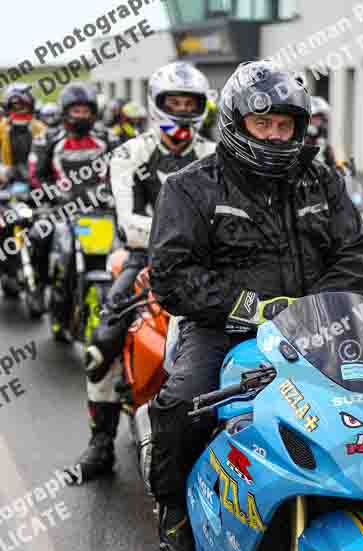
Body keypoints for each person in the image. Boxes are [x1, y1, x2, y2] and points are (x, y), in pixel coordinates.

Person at [136, 60, 363, 551]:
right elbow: (171, 273)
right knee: (182, 403)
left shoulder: (322, 180)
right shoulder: (190, 185)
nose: (273, 135)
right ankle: (174, 504)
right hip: (221, 328)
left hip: (316, 326)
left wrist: (316, 309)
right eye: (262, 124)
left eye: (284, 125)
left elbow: (355, 254)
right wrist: (249, 308)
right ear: (236, 123)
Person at [69, 62, 216, 482]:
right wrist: (186, 233)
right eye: (175, 102)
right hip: (143, 258)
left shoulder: (214, 155)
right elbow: (129, 222)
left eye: (190, 103)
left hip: (205, 261)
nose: (183, 110)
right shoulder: (130, 155)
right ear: (157, 104)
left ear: (201, 107)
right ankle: (101, 444)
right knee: (102, 343)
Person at [29, 82, 119, 325]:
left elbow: (121, 170)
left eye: (86, 111)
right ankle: (39, 286)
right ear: (65, 111)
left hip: (101, 210)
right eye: (75, 111)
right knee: (39, 235)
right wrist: (53, 194)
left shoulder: (108, 137)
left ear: (93, 113)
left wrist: (114, 193)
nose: (81, 116)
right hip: (61, 210)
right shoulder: (48, 138)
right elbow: (37, 174)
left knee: (130, 246)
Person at [0, 83, 46, 296]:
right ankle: (8, 271)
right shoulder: (1, 128)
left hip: (33, 188)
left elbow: (47, 160)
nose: (19, 110)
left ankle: (43, 272)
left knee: (42, 229)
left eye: (23, 106)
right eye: (14, 106)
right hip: (6, 187)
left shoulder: (41, 129)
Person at [305, 95, 336, 167]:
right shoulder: (300, 141)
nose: (318, 121)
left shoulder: (323, 142)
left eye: (320, 118)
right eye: (315, 117)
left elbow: (331, 163)